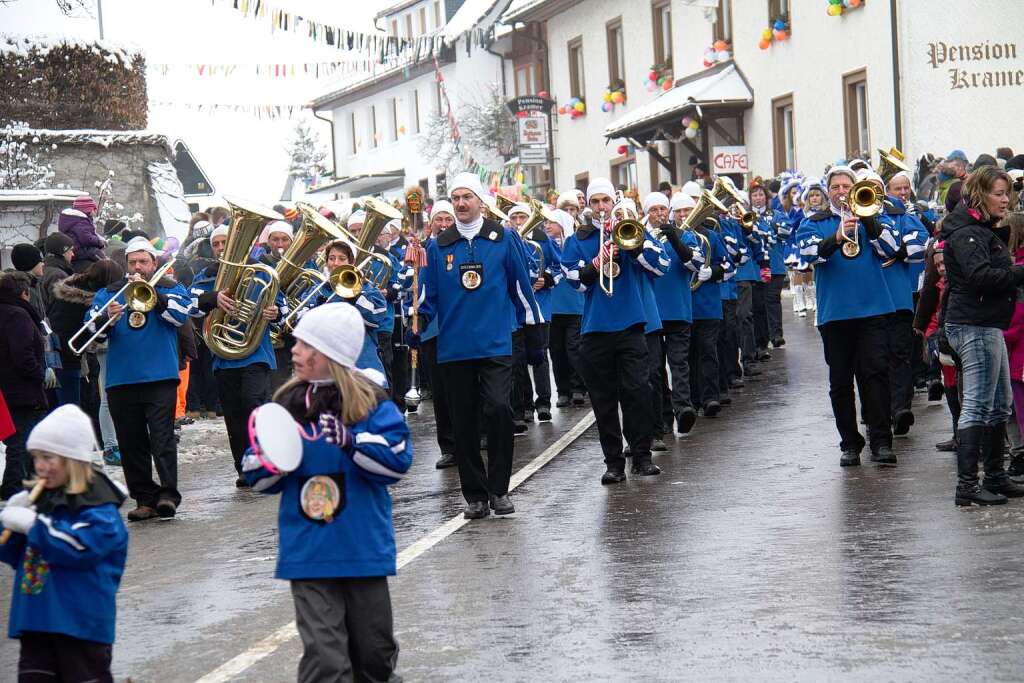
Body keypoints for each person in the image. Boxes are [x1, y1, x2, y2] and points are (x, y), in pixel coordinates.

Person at [243, 302, 410, 682]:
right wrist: (273, 461)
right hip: (309, 552)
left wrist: (353, 442)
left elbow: (397, 461)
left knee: (375, 656)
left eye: (304, 344)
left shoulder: (370, 402)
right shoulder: (285, 403)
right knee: (327, 660)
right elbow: (255, 470)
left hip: (362, 549)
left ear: (329, 354)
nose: (295, 351)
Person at [416, 172, 542, 518]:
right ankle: (475, 495)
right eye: (455, 198)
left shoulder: (503, 237)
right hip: (455, 348)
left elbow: (521, 288)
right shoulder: (438, 245)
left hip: (496, 342)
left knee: (500, 409)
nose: (460, 204)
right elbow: (427, 295)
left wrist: (534, 334)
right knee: (464, 421)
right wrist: (417, 319)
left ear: (480, 201)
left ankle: (499, 489)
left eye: (466, 197)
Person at [0, 404, 128, 683]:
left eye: (48, 457)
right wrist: (8, 521)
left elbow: (77, 548)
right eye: (36, 458)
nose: (40, 466)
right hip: (36, 622)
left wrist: (33, 525)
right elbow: (19, 555)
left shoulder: (99, 510)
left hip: (79, 625)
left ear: (72, 459)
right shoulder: (43, 502)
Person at [561, 178, 668, 484]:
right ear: (587, 206)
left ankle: (642, 456)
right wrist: (596, 262)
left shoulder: (632, 230)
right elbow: (575, 282)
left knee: (638, 391)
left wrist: (631, 247)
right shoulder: (578, 239)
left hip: (632, 325)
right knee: (604, 400)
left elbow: (660, 267)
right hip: (595, 328)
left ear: (613, 202)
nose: (601, 207)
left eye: (605, 201)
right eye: (594, 202)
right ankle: (613, 463)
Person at [796, 165, 900, 468]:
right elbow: (810, 255)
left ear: (855, 188)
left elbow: (893, 250)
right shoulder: (814, 222)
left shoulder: (874, 216)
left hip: (873, 308)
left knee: (876, 375)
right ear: (829, 191)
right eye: (836, 187)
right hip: (835, 313)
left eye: (846, 186)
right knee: (840, 381)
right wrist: (836, 237)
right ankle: (850, 443)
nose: (841, 191)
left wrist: (868, 222)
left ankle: (881, 441)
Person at [88, 237, 192, 520]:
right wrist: (105, 320)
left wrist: (155, 295)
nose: (137, 267)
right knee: (131, 442)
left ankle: (168, 495)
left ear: (154, 263)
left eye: (143, 262)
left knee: (162, 439)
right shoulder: (108, 294)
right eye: (132, 262)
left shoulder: (171, 288)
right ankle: (144, 499)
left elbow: (180, 317)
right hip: (121, 379)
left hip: (161, 376)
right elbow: (90, 334)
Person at [941, 165, 1024, 505]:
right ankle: (967, 486)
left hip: (987, 323)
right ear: (980, 194)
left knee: (1000, 403)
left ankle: (995, 476)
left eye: (1008, 193)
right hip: (973, 324)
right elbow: (981, 277)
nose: (1006, 200)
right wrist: (1020, 271)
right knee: (976, 405)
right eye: (999, 194)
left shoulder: (977, 228)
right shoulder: (967, 232)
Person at [191, 225, 282, 488]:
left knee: (254, 404)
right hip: (223, 355)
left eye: (225, 242)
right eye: (217, 244)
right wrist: (214, 298)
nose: (221, 248)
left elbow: (282, 303)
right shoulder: (206, 275)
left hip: (256, 352)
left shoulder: (261, 271)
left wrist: (275, 312)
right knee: (233, 414)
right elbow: (192, 304)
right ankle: (245, 467)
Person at [654, 192, 701, 435]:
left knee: (679, 363)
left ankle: (683, 408)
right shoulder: (640, 236)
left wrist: (675, 239)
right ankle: (662, 416)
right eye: (654, 210)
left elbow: (696, 265)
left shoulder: (686, 235)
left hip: (679, 309)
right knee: (655, 367)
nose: (659, 213)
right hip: (651, 313)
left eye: (663, 209)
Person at [416, 201, 457, 468]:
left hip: (460, 327)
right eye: (438, 220)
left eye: (448, 220)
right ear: (431, 223)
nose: (443, 225)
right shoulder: (424, 249)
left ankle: (476, 436)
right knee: (442, 392)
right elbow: (420, 290)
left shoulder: (461, 244)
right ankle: (449, 446)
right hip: (434, 330)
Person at [0, 272, 48, 500]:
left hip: (7, 387)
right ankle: (15, 488)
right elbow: (23, 353)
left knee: (16, 439)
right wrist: (39, 374)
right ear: (24, 292)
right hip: (21, 388)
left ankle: (17, 486)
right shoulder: (18, 315)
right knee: (22, 440)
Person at [546, 208, 587, 407]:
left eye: (551, 222)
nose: (547, 226)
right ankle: (563, 391)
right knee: (556, 350)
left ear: (562, 224)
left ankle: (579, 387)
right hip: (553, 308)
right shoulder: (545, 245)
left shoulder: (573, 244)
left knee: (574, 349)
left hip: (575, 306)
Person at [58, 196, 106, 273]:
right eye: (94, 208)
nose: (95, 211)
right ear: (87, 209)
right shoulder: (81, 221)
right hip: (79, 250)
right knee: (100, 257)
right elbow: (86, 239)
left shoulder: (73, 219)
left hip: (73, 249)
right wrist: (99, 242)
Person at [39, 232, 75, 313]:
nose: (73, 254)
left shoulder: (43, 270)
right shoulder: (58, 276)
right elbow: (60, 310)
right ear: (63, 251)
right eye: (71, 250)